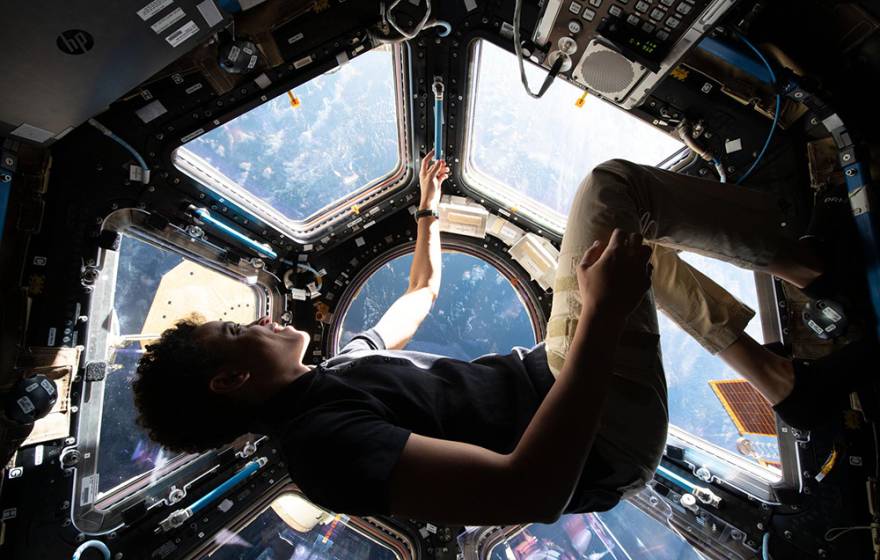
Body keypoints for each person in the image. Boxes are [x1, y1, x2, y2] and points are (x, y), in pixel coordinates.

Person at [133, 153, 871, 526]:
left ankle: (786, 387)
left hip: (576, 391)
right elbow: (531, 489)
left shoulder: (335, 376)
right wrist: (604, 318)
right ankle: (811, 266)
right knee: (616, 192)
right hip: (593, 434)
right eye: (240, 329)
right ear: (229, 381)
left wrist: (426, 213)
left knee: (630, 241)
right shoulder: (323, 447)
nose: (262, 318)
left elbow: (420, 296)